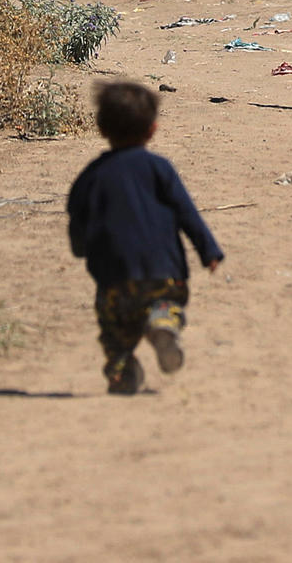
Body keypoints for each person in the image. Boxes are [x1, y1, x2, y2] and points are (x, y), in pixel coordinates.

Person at [66, 81, 224, 395]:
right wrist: (209, 251)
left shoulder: (91, 176)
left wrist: (82, 249)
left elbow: (77, 218)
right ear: (152, 129)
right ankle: (163, 321)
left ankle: (122, 370)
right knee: (166, 303)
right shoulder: (159, 169)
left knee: (114, 333)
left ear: (100, 128)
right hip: (165, 274)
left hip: (114, 279)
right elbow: (186, 213)